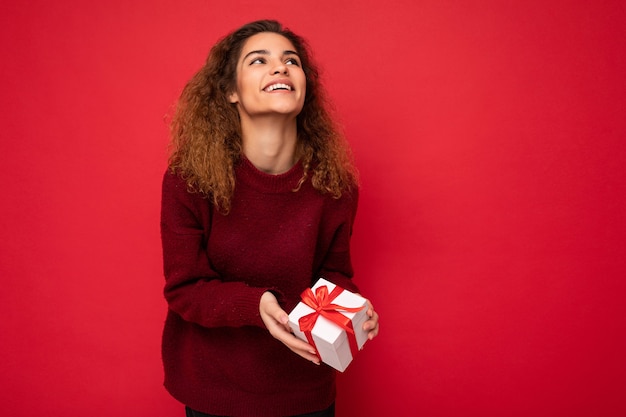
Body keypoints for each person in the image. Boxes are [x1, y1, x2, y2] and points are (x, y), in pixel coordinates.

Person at [160, 20, 380, 417]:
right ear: (230, 91)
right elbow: (185, 288)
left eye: (290, 61)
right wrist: (255, 303)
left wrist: (352, 309)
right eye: (259, 60)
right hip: (216, 392)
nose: (280, 68)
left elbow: (333, 275)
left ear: (304, 85)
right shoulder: (189, 180)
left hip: (305, 392)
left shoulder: (335, 185)